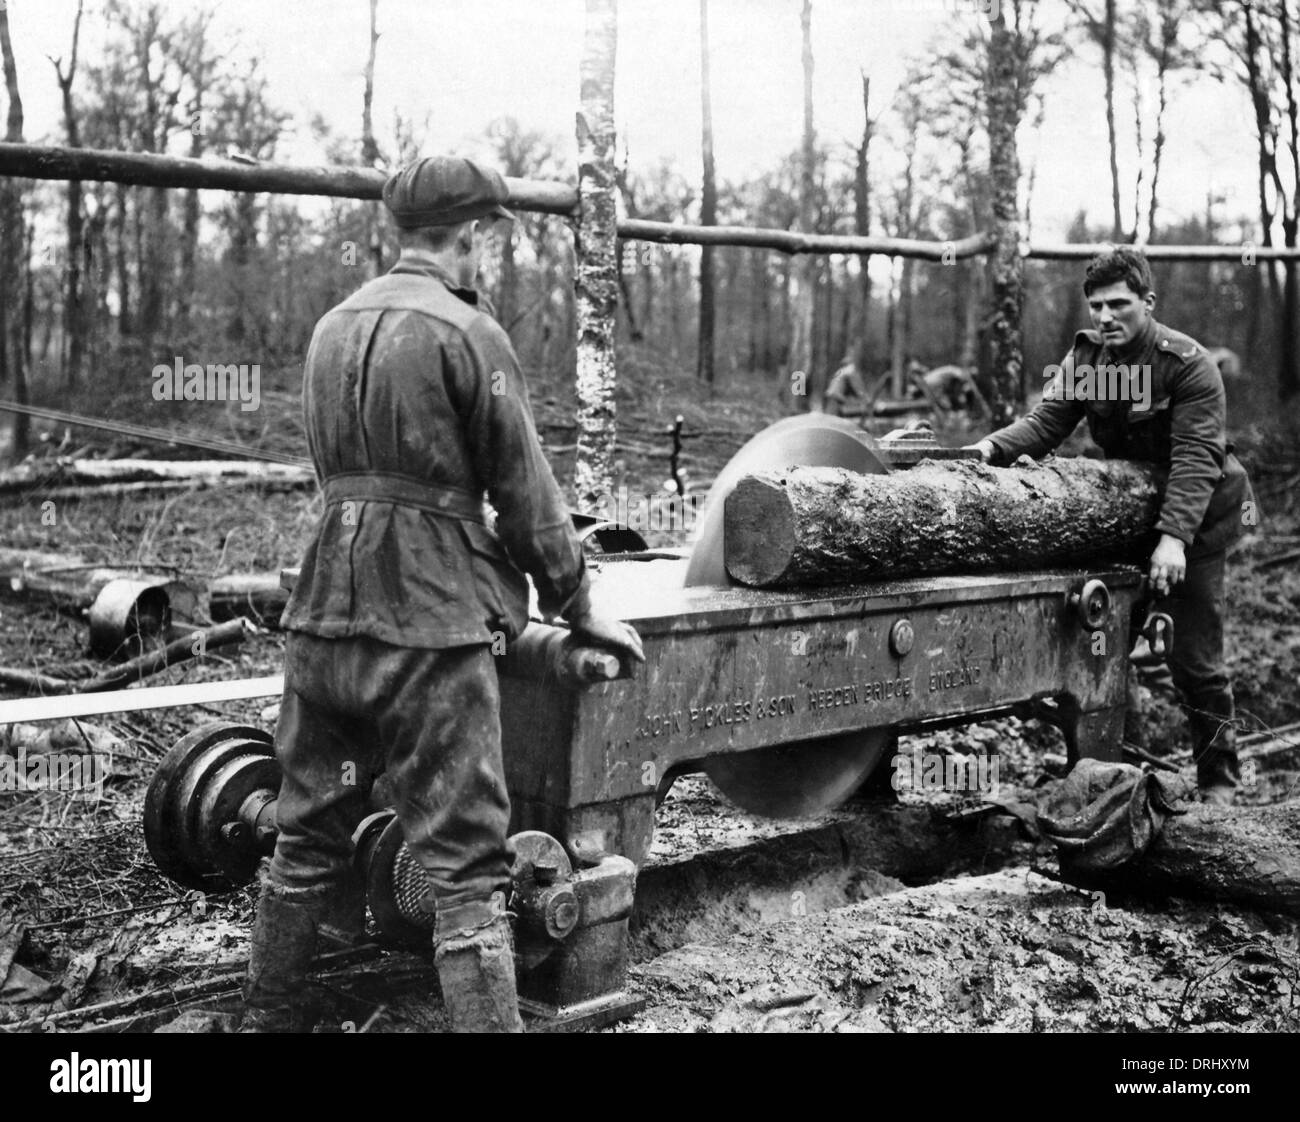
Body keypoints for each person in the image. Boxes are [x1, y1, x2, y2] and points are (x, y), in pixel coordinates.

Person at [240, 156, 645, 1034]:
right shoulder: (467, 334)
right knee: (466, 869)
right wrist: (579, 605)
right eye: (485, 238)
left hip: (322, 615)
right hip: (428, 623)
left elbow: (338, 481)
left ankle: (263, 1018)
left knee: (305, 834)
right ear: (472, 233)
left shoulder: (330, 327)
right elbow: (527, 495)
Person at [968, 247, 1254, 806]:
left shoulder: (1188, 364)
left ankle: (1220, 782)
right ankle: (1109, 775)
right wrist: (987, 449)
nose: (1105, 317)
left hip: (1193, 523)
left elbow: (1197, 459)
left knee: (1193, 660)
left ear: (1147, 303)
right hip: (1127, 514)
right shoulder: (1088, 360)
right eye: (1096, 306)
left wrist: (1174, 539)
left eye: (1118, 304)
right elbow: (1046, 423)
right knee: (1099, 642)